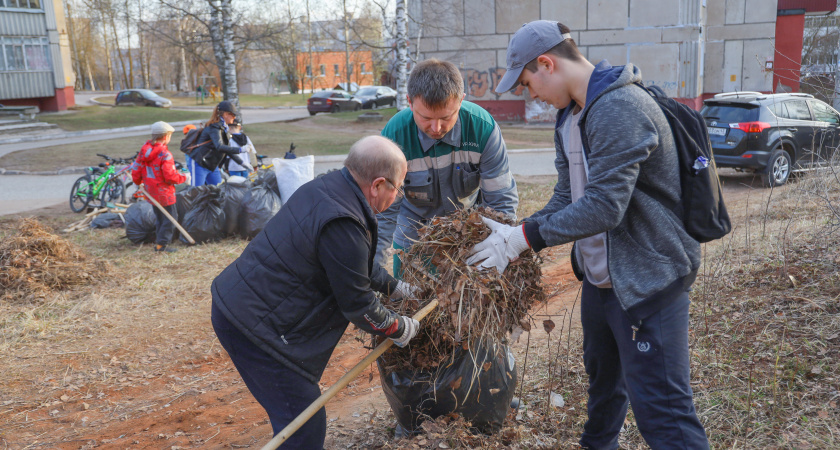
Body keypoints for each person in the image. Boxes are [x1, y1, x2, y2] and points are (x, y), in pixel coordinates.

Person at [468, 20, 709, 449]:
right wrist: (514, 230)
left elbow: (604, 206)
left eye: (527, 83)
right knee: (603, 397)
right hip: (602, 285)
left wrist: (525, 238)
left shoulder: (619, 108)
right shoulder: (569, 117)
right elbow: (567, 195)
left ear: (547, 63)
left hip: (647, 283)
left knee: (664, 415)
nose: (531, 95)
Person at [211, 135, 421, 448]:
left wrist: (396, 288)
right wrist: (399, 327)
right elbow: (359, 306)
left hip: (238, 305)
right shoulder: (345, 222)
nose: (398, 194)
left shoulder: (327, 188)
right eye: (398, 186)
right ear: (378, 185)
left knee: (296, 417)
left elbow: (352, 265)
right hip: (258, 330)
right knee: (303, 425)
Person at [376, 58, 519, 274]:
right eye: (425, 118)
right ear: (409, 102)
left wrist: (502, 243)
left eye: (446, 117)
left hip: (468, 231)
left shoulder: (483, 128)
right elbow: (384, 214)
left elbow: (500, 199)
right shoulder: (394, 136)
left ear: (461, 101)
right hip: (412, 237)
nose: (436, 128)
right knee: (408, 303)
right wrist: (372, 270)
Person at [131, 121, 190, 253]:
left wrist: (138, 181)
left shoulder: (144, 151)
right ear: (165, 136)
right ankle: (161, 245)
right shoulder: (165, 154)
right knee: (170, 218)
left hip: (150, 191)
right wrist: (184, 178)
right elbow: (170, 177)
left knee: (160, 217)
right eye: (170, 136)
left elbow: (136, 169)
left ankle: (159, 242)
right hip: (164, 192)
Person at [190, 100, 254, 185]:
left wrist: (242, 163)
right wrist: (240, 149)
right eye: (233, 115)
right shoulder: (214, 127)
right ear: (226, 114)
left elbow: (227, 149)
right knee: (196, 191)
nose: (234, 118)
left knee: (218, 190)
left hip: (212, 164)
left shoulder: (224, 128)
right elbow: (219, 146)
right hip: (200, 163)